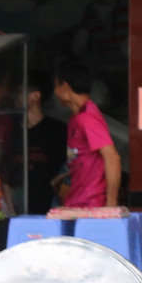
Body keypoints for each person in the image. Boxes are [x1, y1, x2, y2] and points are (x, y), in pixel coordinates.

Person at [51, 58, 120, 208]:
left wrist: (111, 203)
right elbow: (86, 160)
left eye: (56, 86)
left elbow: (112, 157)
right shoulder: (77, 118)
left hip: (92, 206)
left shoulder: (87, 118)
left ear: (65, 87)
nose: (55, 92)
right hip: (78, 204)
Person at [23, 67, 67, 215]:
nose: (14, 96)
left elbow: (71, 166)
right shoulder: (14, 130)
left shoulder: (58, 131)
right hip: (18, 206)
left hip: (50, 204)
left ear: (35, 96)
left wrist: (58, 183)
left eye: (19, 92)